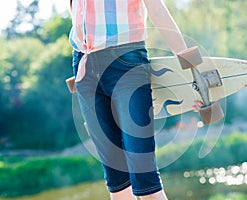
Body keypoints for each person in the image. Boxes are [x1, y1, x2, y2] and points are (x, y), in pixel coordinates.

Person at [69, 0, 201, 199]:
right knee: (117, 183)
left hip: (125, 60)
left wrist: (189, 68)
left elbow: (156, 8)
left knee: (145, 178)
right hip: (84, 65)